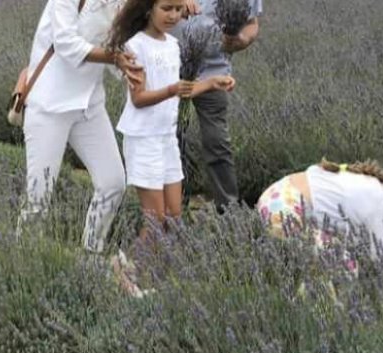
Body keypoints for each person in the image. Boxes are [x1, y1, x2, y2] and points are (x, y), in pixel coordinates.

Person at [16, 0, 198, 257]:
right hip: (49, 106)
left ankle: (91, 256)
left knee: (113, 183)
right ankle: (24, 259)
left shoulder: (121, 4)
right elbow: (66, 44)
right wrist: (115, 58)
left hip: (89, 105)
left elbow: (125, 48)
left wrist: (132, 72)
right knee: (39, 196)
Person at [109, 0, 235, 296]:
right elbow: (139, 99)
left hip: (166, 138)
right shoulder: (134, 46)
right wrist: (170, 90)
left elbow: (182, 90)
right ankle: (125, 275)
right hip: (143, 138)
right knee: (155, 220)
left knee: (174, 218)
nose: (173, 16)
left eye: (179, 10)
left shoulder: (173, 45)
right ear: (148, 8)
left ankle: (146, 274)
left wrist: (212, 83)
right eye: (167, 8)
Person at [172, 0, 262, 212]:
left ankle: (228, 211)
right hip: (167, 65)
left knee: (216, 142)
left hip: (214, 70)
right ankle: (175, 206)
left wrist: (240, 39)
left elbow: (252, 24)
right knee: (170, 136)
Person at [257, 161, 383, 257]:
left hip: (276, 195)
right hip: (283, 211)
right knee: (342, 266)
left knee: (335, 251)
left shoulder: (376, 186)